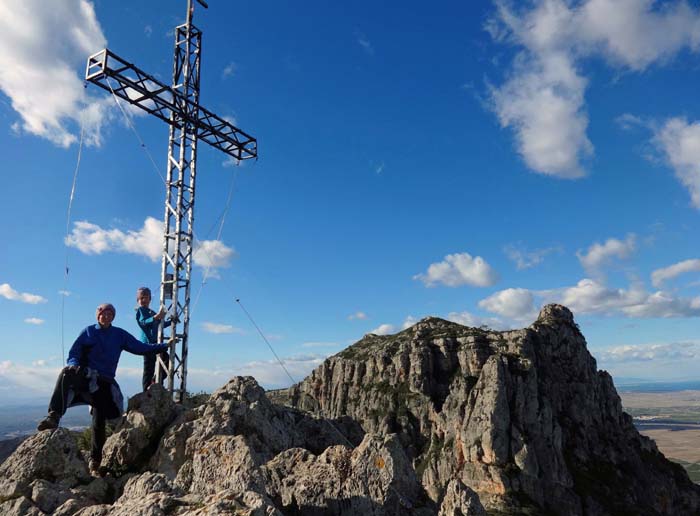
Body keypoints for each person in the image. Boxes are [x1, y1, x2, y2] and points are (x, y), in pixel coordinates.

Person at [37, 303, 168, 474]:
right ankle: (54, 416)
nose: (105, 316)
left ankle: (95, 461)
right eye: (102, 313)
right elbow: (74, 353)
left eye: (109, 314)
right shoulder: (88, 332)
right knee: (65, 374)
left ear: (113, 316)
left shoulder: (119, 335)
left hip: (104, 382)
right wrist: (74, 365)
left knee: (99, 419)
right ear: (97, 315)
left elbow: (139, 347)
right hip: (85, 376)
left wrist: (163, 346)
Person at [135, 287, 174, 391]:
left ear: (150, 299)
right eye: (141, 298)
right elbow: (143, 322)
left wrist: (171, 322)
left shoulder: (151, 312)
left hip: (156, 343)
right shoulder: (140, 310)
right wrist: (156, 317)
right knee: (149, 368)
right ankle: (146, 391)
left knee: (167, 362)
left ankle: (155, 383)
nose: (143, 300)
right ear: (137, 300)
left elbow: (159, 325)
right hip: (147, 344)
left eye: (146, 297)